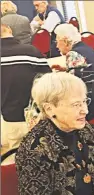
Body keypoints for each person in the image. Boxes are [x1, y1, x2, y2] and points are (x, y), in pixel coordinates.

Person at [1, 23, 50, 152]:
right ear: (10, 30)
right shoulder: (31, 51)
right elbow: (49, 81)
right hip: (36, 115)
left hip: (10, 116)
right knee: (43, 152)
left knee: (16, 154)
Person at [52, 23, 94, 120]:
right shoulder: (87, 48)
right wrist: (65, 69)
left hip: (89, 105)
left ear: (65, 40)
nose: (56, 46)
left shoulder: (73, 54)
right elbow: (86, 69)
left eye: (57, 41)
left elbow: (71, 86)